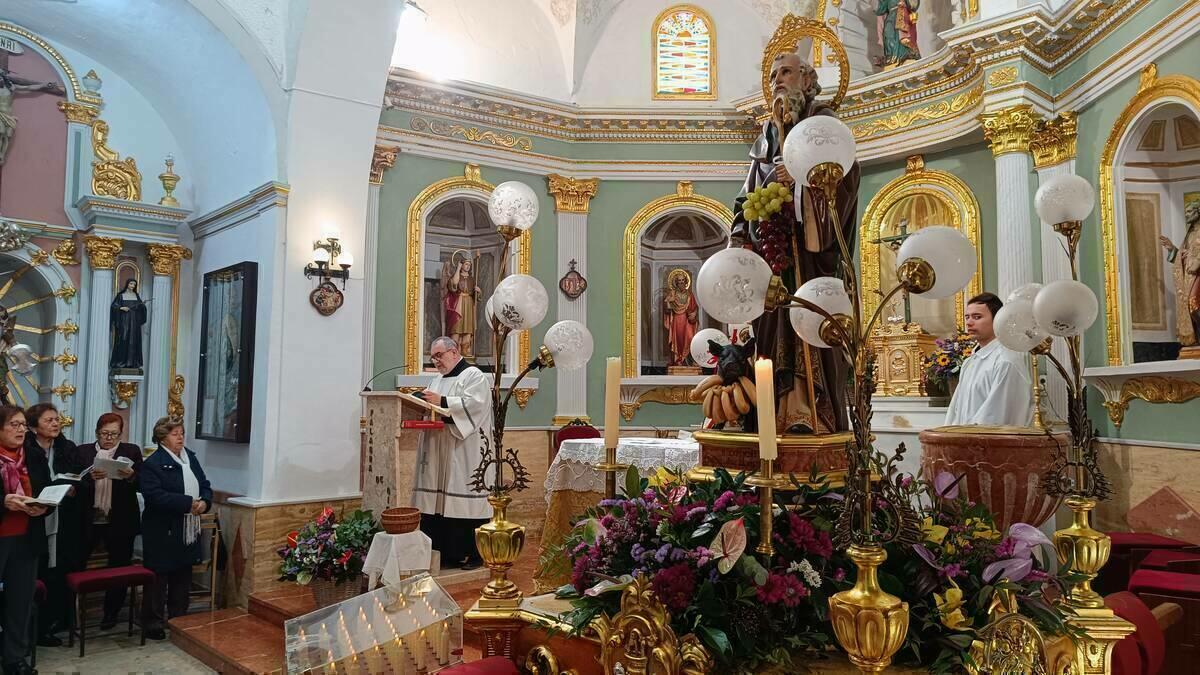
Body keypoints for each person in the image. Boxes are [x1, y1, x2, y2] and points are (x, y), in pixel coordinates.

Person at [729, 49, 860, 434]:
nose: (776, 82)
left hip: (812, 257)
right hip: (774, 258)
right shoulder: (766, 137)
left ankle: (815, 418)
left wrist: (803, 181)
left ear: (807, 79)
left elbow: (845, 182)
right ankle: (773, 420)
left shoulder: (825, 125)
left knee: (813, 328)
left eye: (785, 72)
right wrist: (741, 235)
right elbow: (746, 198)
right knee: (773, 334)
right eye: (771, 77)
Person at [414, 336, 492, 570]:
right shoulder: (436, 380)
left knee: (462, 499)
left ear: (455, 352)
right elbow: (432, 406)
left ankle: (473, 554)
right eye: (433, 357)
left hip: (464, 450)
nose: (435, 361)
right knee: (438, 503)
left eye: (439, 355)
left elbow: (475, 406)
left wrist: (443, 401)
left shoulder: (474, 376)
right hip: (439, 447)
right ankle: (445, 554)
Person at [141, 417, 211, 640]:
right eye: (175, 434)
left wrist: (204, 502)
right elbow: (154, 495)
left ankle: (179, 618)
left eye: (181, 432)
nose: (180, 437)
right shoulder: (153, 463)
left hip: (188, 526)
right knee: (159, 576)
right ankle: (153, 622)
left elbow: (205, 484)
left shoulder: (190, 457)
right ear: (162, 438)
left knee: (182, 573)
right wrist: (187, 503)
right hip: (163, 528)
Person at [74, 413, 142, 631]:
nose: (109, 438)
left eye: (114, 434)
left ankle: (111, 613)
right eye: (105, 434)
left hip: (120, 520)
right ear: (96, 433)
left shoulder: (131, 451)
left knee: (119, 566)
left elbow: (142, 483)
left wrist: (131, 475)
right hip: (88, 518)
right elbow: (72, 480)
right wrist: (87, 479)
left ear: (121, 434)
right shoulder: (82, 451)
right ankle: (71, 612)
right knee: (76, 562)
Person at [0, 405, 51, 675]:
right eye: (14, 425)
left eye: (23, 425)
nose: (21, 430)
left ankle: (14, 659)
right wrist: (4, 501)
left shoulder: (33, 455)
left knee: (20, 601)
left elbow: (47, 488)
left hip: (26, 538)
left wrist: (44, 506)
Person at [25, 403, 79, 648]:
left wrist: (73, 487)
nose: (56, 423)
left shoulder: (67, 448)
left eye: (57, 419)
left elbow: (81, 477)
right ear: (34, 426)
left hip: (64, 518)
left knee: (59, 572)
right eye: (49, 420)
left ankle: (54, 622)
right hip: (33, 519)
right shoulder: (25, 450)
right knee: (38, 573)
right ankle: (31, 629)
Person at [945, 293, 1034, 427]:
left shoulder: (1006, 361)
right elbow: (956, 410)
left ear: (997, 319)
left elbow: (995, 417)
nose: (969, 322)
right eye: (967, 317)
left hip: (990, 444)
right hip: (965, 441)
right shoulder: (970, 362)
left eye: (977, 317)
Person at [110, 278, 147, 370]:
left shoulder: (136, 295)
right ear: (127, 284)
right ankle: (121, 362)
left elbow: (141, 308)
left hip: (134, 322)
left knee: (133, 341)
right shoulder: (121, 295)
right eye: (131, 284)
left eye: (134, 285)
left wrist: (142, 306)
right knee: (123, 339)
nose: (132, 286)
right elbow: (114, 306)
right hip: (124, 321)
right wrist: (121, 308)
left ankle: (132, 363)